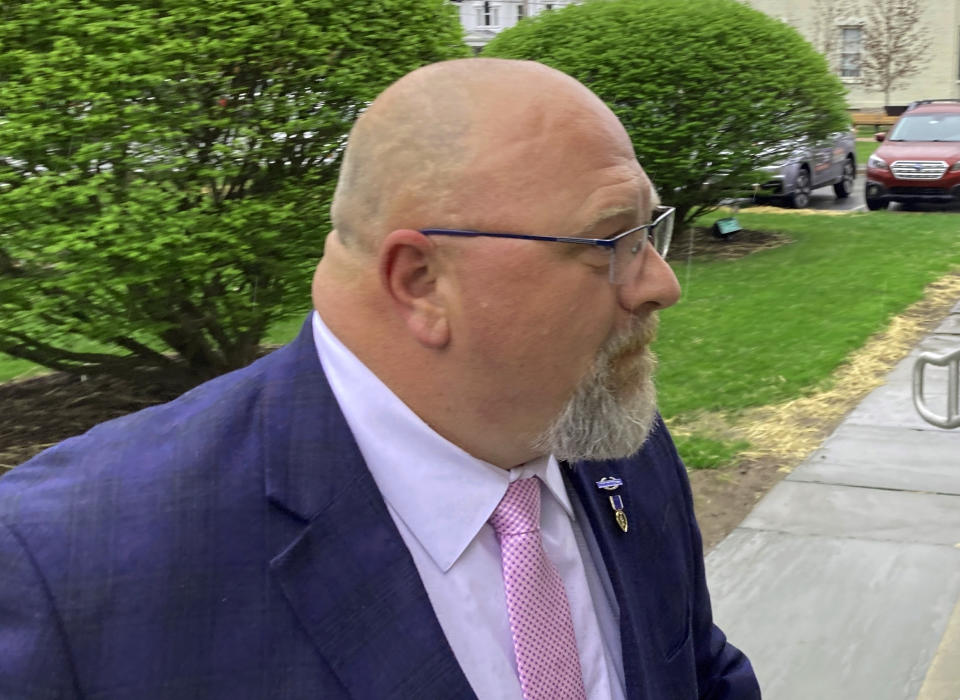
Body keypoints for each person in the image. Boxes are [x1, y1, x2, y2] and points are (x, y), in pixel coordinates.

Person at [0, 58, 759, 699]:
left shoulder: (615, 438)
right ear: (421, 281)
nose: (660, 284)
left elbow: (698, 670)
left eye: (648, 232)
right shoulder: (69, 572)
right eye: (609, 241)